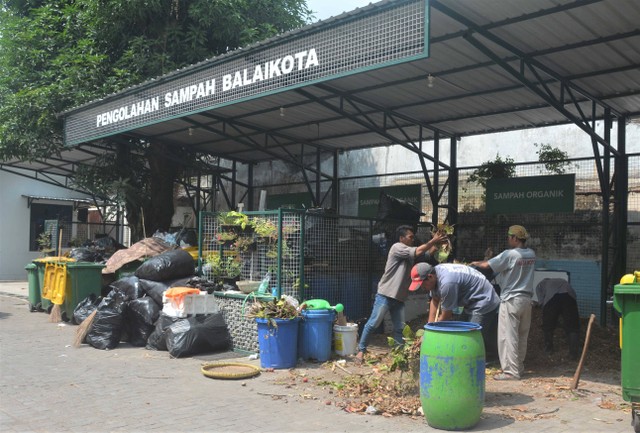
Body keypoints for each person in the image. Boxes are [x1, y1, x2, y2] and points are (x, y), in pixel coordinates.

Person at [355, 225, 446, 362]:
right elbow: (418, 252)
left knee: (399, 329)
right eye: (410, 237)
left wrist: (438, 244)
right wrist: (433, 240)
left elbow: (426, 255)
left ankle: (399, 355)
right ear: (401, 238)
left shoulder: (409, 253)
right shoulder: (397, 247)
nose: (412, 239)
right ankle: (361, 350)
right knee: (373, 324)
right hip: (386, 294)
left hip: (399, 297)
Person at [471, 225, 536, 381]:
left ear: (514, 238)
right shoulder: (531, 254)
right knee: (521, 335)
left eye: (509, 237)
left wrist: (474, 263)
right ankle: (518, 367)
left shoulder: (510, 254)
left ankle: (510, 372)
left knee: (508, 336)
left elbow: (487, 266)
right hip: (527, 300)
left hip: (511, 299)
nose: (508, 240)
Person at [409, 262, 500, 363]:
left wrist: (430, 335)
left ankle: (479, 361)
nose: (422, 288)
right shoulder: (435, 274)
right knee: (461, 332)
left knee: (470, 336)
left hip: (484, 299)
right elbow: (435, 300)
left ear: (430, 277)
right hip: (471, 301)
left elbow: (446, 316)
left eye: (422, 284)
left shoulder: (447, 283)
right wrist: (428, 329)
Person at [535, 278, 580, 359]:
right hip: (569, 297)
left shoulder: (540, 285)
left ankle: (548, 350)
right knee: (572, 327)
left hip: (553, 299)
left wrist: (543, 307)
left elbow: (541, 302)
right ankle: (574, 353)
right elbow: (574, 295)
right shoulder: (560, 280)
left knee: (548, 326)